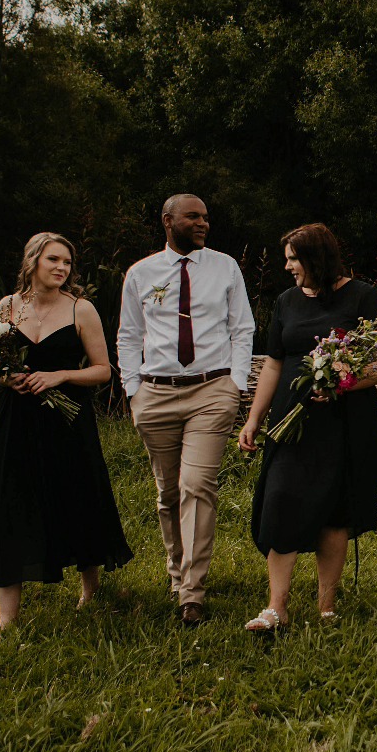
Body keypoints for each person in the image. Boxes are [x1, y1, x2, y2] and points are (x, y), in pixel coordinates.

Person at [238, 224, 377, 631]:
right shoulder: (287, 301)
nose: (288, 266)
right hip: (291, 420)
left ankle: (326, 606)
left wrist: (344, 384)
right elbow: (272, 362)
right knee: (280, 499)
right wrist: (254, 418)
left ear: (317, 257)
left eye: (293, 258)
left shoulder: (362, 295)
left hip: (345, 420)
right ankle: (276, 607)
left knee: (335, 512)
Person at [118, 195, 255, 626]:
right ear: (168, 220)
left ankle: (192, 592)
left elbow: (242, 328)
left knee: (196, 484)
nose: (203, 224)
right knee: (168, 493)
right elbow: (128, 334)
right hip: (155, 395)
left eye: (206, 218)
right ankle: (176, 572)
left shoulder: (225, 267)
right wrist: (133, 390)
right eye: (194, 217)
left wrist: (234, 384)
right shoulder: (141, 274)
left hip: (211, 391)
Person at [0, 233, 133, 631]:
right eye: (53, 259)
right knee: (11, 505)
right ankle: (6, 617)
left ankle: (90, 587)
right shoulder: (6, 306)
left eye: (67, 262)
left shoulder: (80, 310)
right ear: (32, 261)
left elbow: (104, 370)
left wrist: (60, 375)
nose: (61, 268)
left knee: (78, 497)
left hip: (67, 421)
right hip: (15, 421)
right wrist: (7, 378)